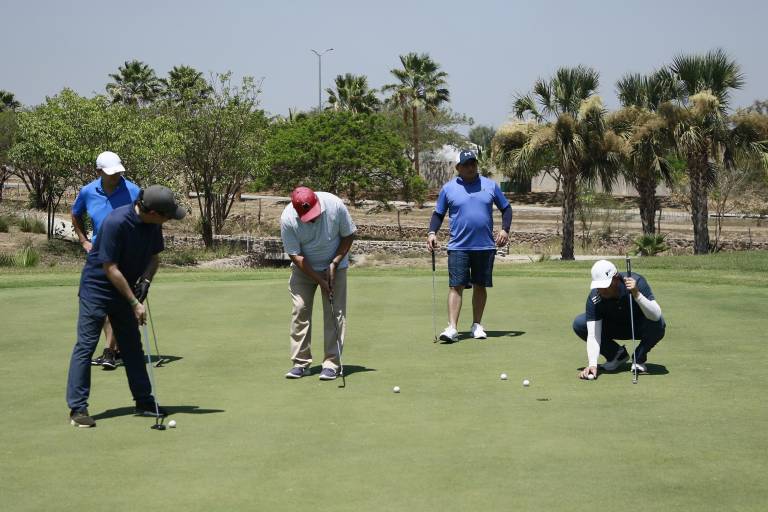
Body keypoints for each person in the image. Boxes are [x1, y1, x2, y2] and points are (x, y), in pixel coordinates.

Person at [66, 185, 186, 428]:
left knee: (132, 347)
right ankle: (78, 408)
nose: (168, 219)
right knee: (86, 345)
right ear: (152, 212)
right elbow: (109, 268)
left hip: (125, 288)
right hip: (97, 289)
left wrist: (146, 280)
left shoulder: (153, 224)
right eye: (167, 215)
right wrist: (134, 302)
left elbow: (154, 258)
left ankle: (143, 401)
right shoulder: (116, 222)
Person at [427, 149, 512, 342]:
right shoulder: (448, 189)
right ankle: (452, 328)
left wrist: (505, 229)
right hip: (458, 246)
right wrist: (432, 233)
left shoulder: (490, 185)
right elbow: (438, 214)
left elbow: (506, 208)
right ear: (458, 168)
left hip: (484, 246)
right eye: (466, 164)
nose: (471, 167)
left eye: (473, 163)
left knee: (480, 285)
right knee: (456, 286)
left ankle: (476, 325)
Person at [71, 151, 141, 370]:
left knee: (118, 303)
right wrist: (83, 240)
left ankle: (110, 351)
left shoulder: (133, 190)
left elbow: (144, 219)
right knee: (97, 302)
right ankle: (113, 350)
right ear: (98, 171)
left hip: (126, 255)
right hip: (98, 255)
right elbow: (76, 214)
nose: (116, 177)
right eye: (111, 173)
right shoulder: (87, 191)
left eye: (119, 172)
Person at [280, 186, 356, 381]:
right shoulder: (288, 218)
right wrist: (319, 280)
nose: (313, 219)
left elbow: (349, 235)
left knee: (334, 313)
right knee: (300, 309)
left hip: (335, 267)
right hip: (304, 268)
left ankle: (331, 364)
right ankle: (300, 363)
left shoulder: (335, 205)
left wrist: (334, 263)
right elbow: (296, 256)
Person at [573, 259, 666, 380]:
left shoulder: (637, 282)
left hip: (638, 327)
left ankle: (639, 358)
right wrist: (592, 364)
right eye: (599, 286)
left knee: (659, 323)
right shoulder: (595, 297)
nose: (602, 290)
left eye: (605, 285)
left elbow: (655, 315)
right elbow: (593, 335)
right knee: (580, 323)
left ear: (616, 279)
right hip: (614, 327)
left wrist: (637, 294)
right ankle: (616, 355)